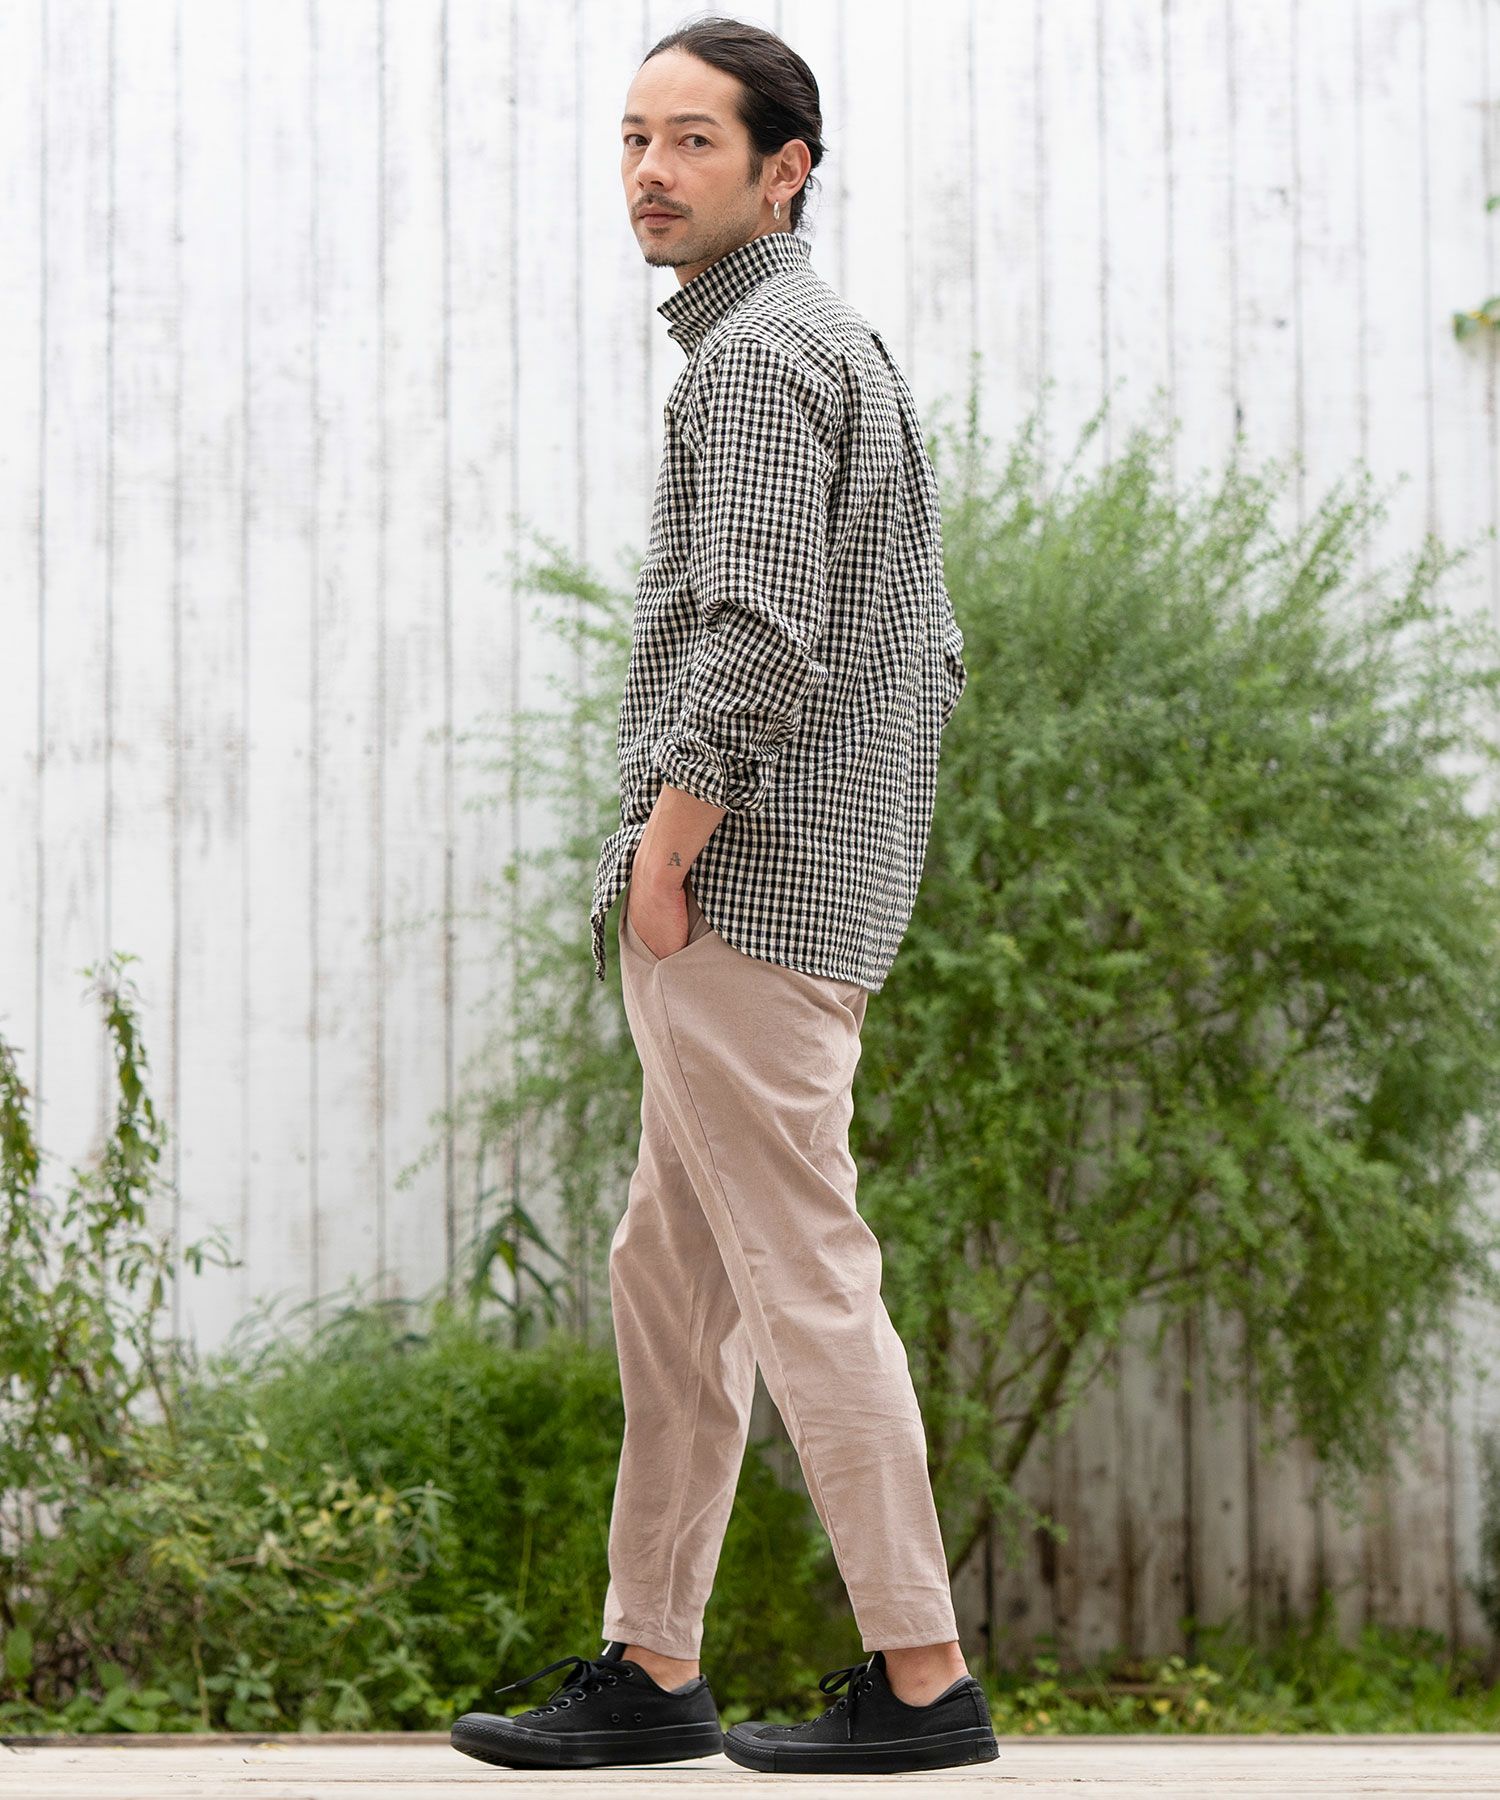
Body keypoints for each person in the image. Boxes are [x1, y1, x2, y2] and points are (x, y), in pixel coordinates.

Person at [451, 15, 993, 1779]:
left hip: (742, 892)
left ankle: (924, 1677)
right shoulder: (827, 341)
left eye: (692, 140)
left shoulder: (760, 359)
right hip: (793, 884)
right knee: (672, 1285)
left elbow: (759, 637)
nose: (649, 172)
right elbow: (923, 641)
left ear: (785, 170)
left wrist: (666, 857)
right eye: (633, 138)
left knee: (805, 1279)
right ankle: (652, 1662)